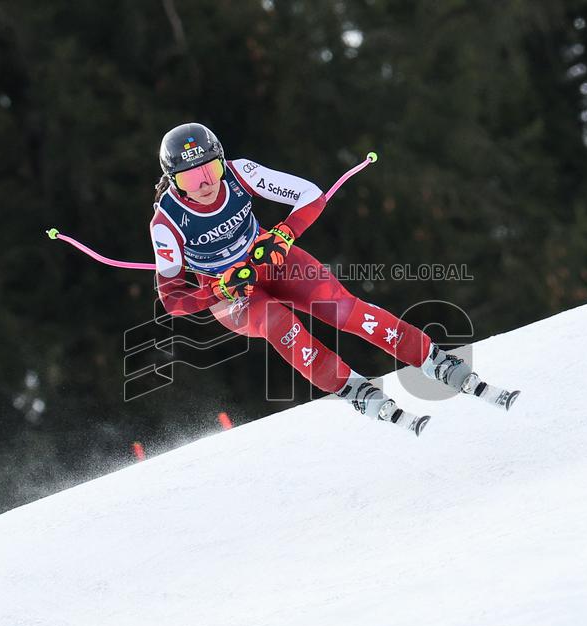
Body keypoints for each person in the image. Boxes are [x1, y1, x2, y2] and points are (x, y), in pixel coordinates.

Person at [149, 122, 518, 435]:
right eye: (190, 177)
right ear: (174, 181)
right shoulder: (166, 222)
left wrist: (284, 234)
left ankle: (431, 359)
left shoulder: (240, 172)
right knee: (278, 321)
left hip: (271, 258)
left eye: (211, 170)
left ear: (221, 162)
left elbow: (310, 195)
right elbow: (173, 300)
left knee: (342, 309)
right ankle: (351, 388)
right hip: (232, 294)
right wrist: (219, 288)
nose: (204, 183)